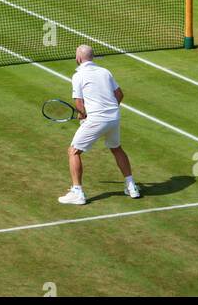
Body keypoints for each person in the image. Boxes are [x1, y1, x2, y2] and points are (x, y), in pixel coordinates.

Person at [57, 44, 140, 206]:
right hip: (113, 117)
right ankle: (132, 187)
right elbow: (119, 94)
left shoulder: (78, 76)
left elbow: (79, 103)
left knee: (73, 151)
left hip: (97, 119)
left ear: (79, 58)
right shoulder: (105, 72)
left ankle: (77, 192)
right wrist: (106, 111)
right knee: (116, 148)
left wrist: (84, 116)